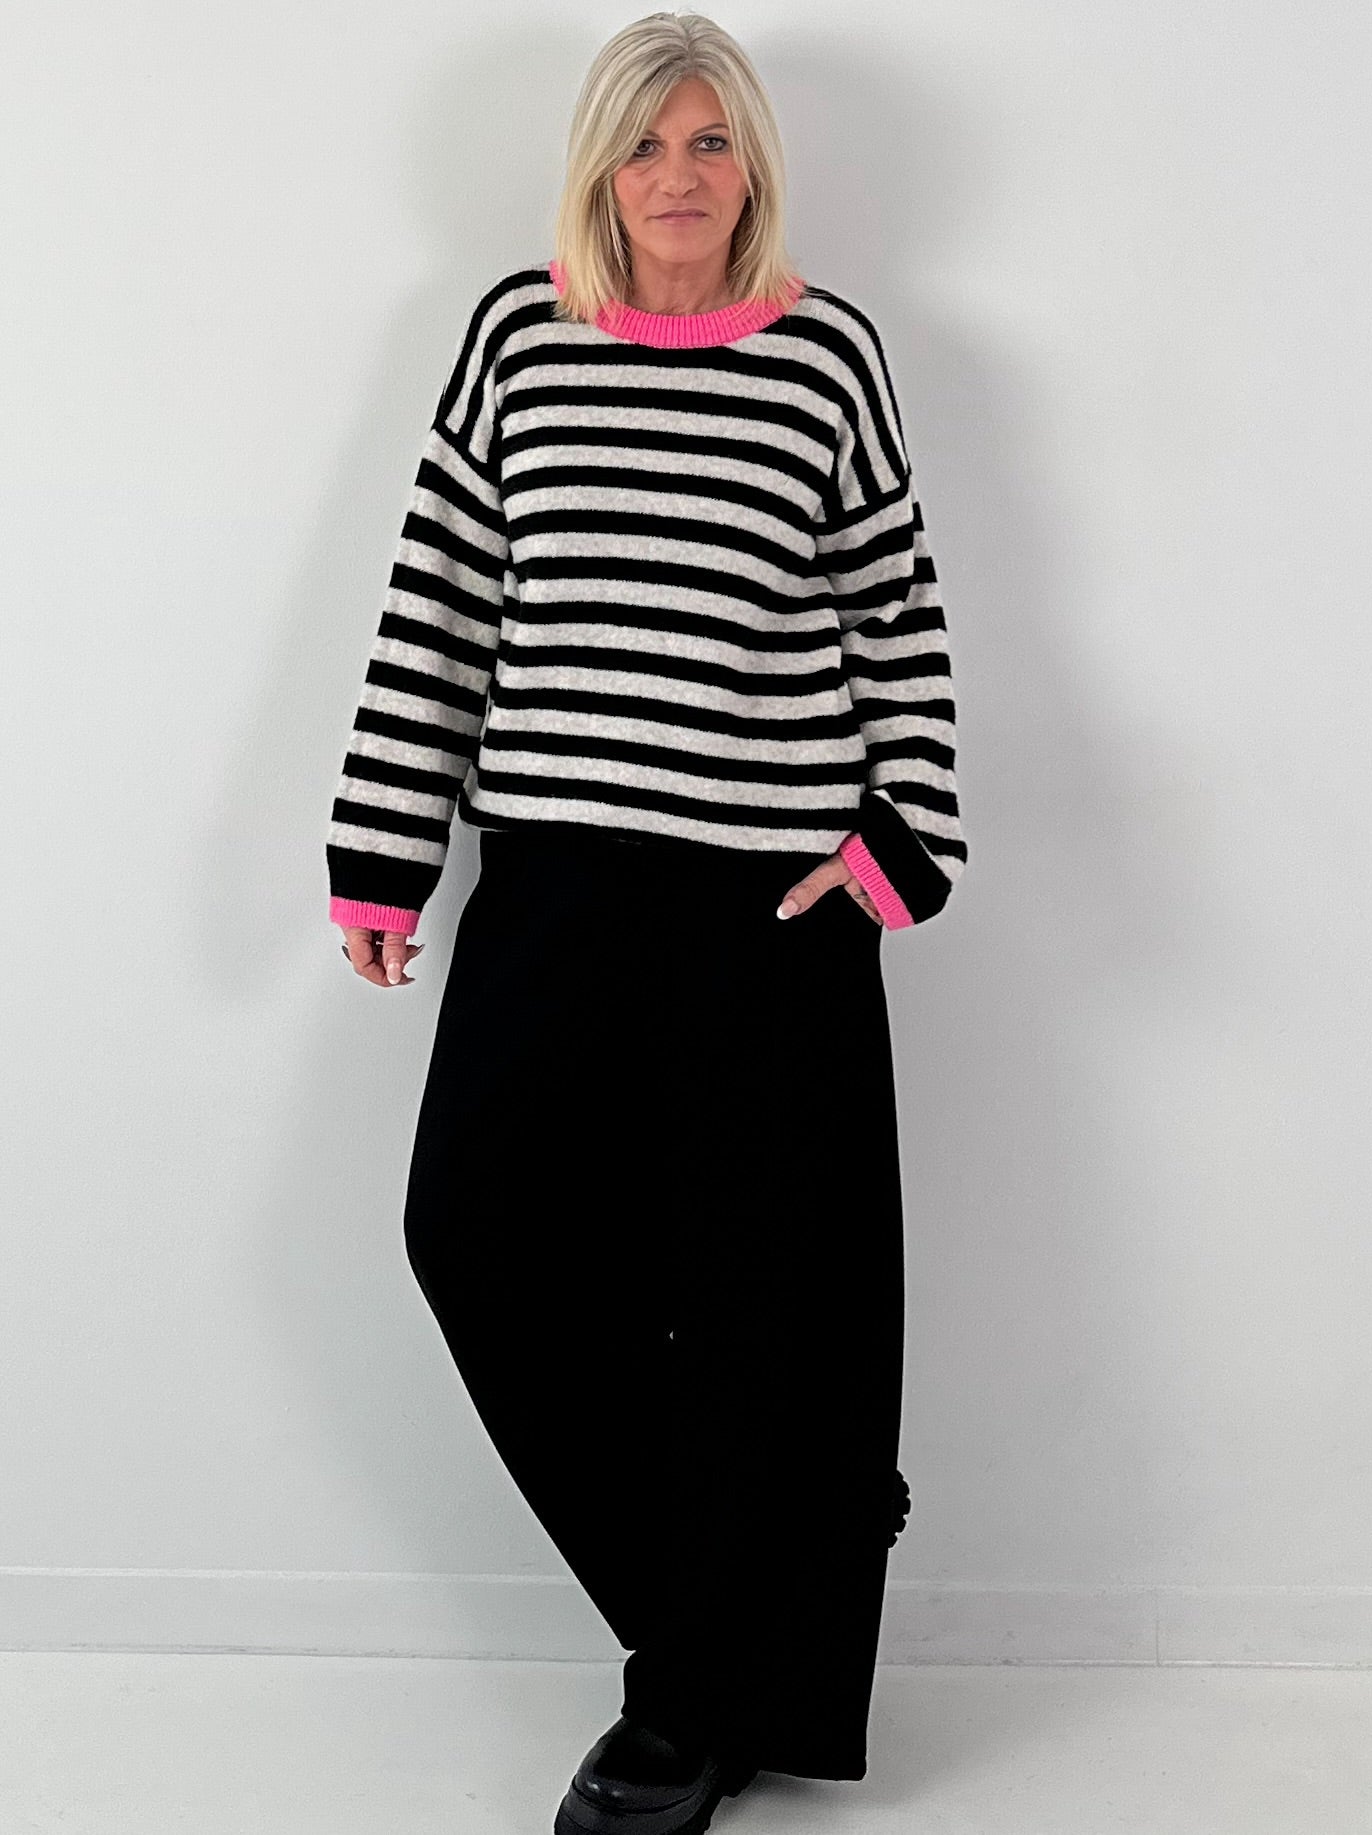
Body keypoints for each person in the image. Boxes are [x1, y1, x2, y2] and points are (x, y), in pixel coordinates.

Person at [325, 12, 966, 1832]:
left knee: (762, 1311)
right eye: (644, 143)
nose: (677, 176)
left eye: (708, 141)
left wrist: (901, 842)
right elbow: (442, 599)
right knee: (477, 1234)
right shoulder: (517, 338)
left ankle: (691, 1704)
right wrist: (382, 847)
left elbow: (895, 606)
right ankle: (726, 1647)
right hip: (555, 886)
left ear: (751, 162)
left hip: (771, 905)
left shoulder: (827, 353)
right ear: (597, 168)